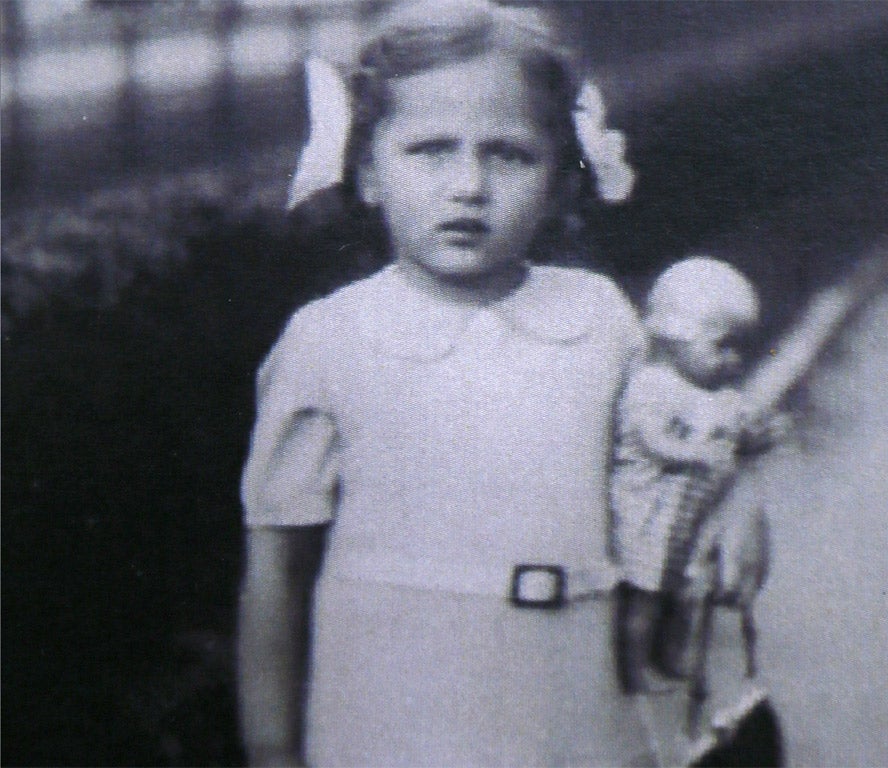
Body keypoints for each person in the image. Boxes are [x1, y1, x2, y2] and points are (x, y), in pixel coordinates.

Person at [236, 2, 651, 765]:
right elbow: (277, 572)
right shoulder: (332, 340)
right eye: (430, 150)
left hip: (573, 714)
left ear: (562, 181)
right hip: (392, 717)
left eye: (510, 155)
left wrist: (729, 508)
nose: (468, 185)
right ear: (367, 172)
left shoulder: (600, 320)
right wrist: (271, 751)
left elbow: (663, 483)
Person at [611, 257, 785, 699]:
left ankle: (668, 657)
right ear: (673, 338)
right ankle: (632, 673)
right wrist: (695, 450)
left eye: (740, 348)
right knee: (644, 598)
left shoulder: (719, 397)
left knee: (681, 592)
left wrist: (757, 435)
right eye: (723, 346)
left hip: (684, 523)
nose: (733, 360)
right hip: (648, 517)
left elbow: (741, 429)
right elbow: (649, 435)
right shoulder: (652, 385)